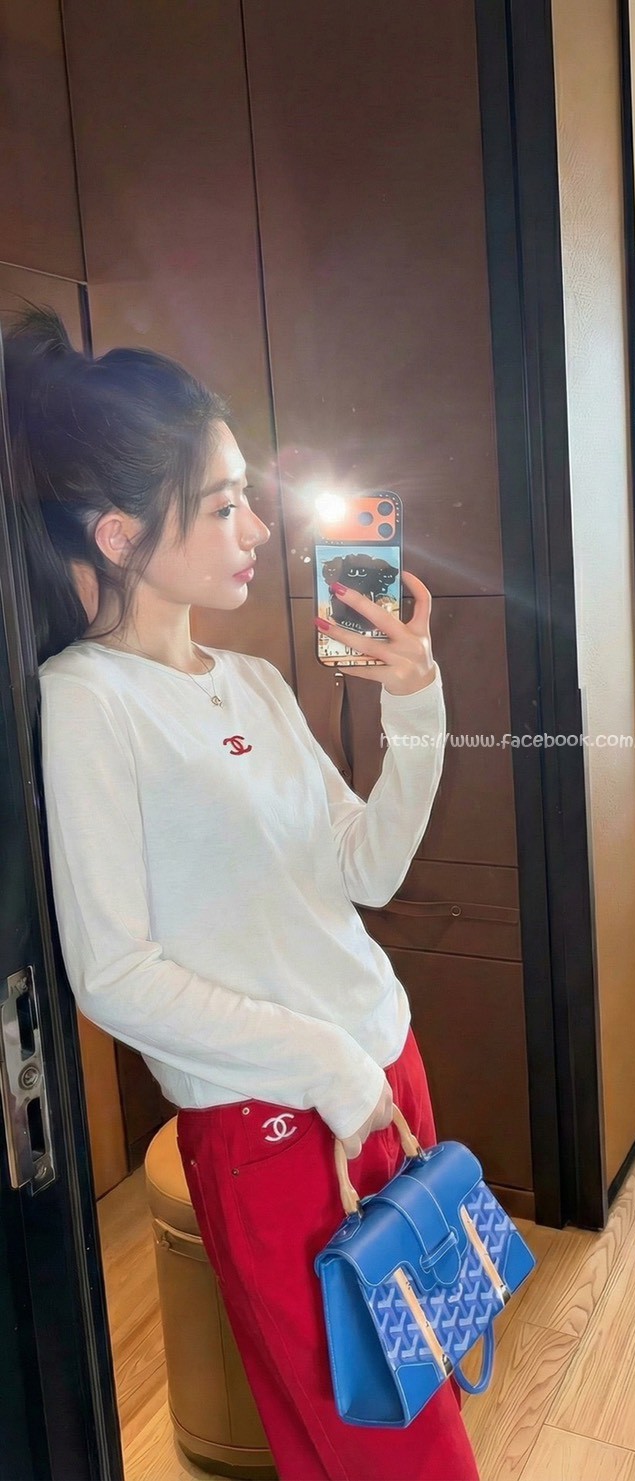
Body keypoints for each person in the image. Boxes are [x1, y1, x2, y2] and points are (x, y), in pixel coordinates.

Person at [5, 305, 480, 1481]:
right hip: (277, 1125)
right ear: (120, 534)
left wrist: (414, 699)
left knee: (421, 1394)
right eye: (222, 505)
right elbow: (114, 973)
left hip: (384, 1074)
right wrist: (326, 1065)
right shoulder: (87, 701)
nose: (258, 527)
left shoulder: (256, 680)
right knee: (389, 1448)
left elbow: (366, 869)